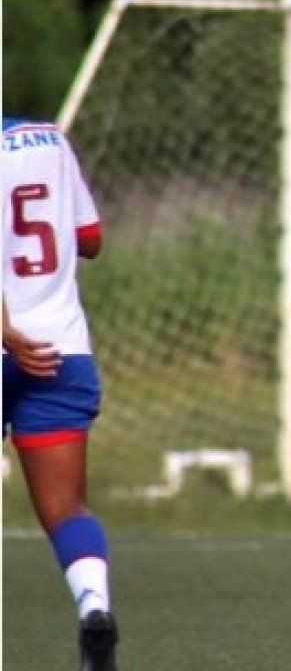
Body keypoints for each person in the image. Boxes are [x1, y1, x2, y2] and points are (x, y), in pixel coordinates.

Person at [2, 118, 117, 671]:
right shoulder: (49, 138)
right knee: (66, 509)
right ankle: (94, 606)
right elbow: (90, 239)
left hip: (9, 340)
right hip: (60, 350)